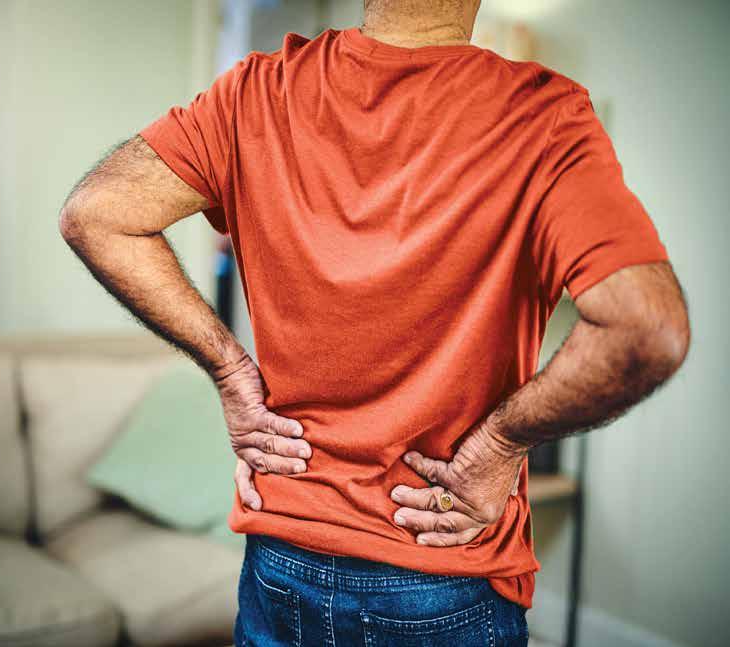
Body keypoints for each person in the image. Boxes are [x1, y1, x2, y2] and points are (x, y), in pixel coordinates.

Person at [58, 0, 690, 644]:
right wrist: (501, 443)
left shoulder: (255, 92)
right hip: (437, 562)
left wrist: (228, 367)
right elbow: (646, 328)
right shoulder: (543, 116)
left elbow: (96, 211)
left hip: (281, 558)